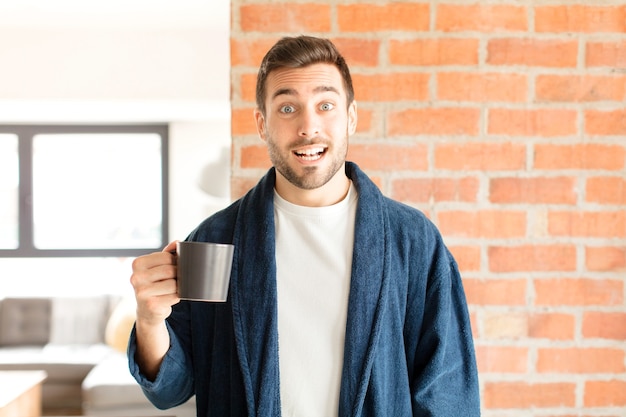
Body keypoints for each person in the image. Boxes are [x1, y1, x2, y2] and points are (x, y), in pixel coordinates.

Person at [128, 35, 480, 416]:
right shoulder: (217, 240)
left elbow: (448, 395)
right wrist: (149, 320)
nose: (308, 126)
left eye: (325, 105)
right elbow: (170, 390)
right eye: (287, 108)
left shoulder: (412, 241)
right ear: (262, 125)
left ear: (351, 117)